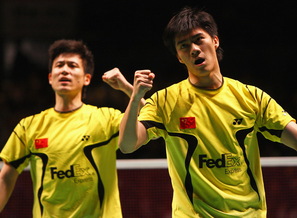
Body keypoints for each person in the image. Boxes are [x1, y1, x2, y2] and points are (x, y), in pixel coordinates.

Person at [118, 6, 297, 217]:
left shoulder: (251, 97)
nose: (193, 49)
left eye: (198, 40)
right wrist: (136, 97)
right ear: (179, 57)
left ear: (215, 40)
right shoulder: (165, 101)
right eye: (183, 46)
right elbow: (127, 145)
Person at [0, 39, 141, 217]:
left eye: (73, 65)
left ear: (86, 78)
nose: (65, 70)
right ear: (50, 78)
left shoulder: (106, 118)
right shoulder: (29, 126)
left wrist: (130, 91)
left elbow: (153, 120)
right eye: (59, 65)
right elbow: (6, 177)